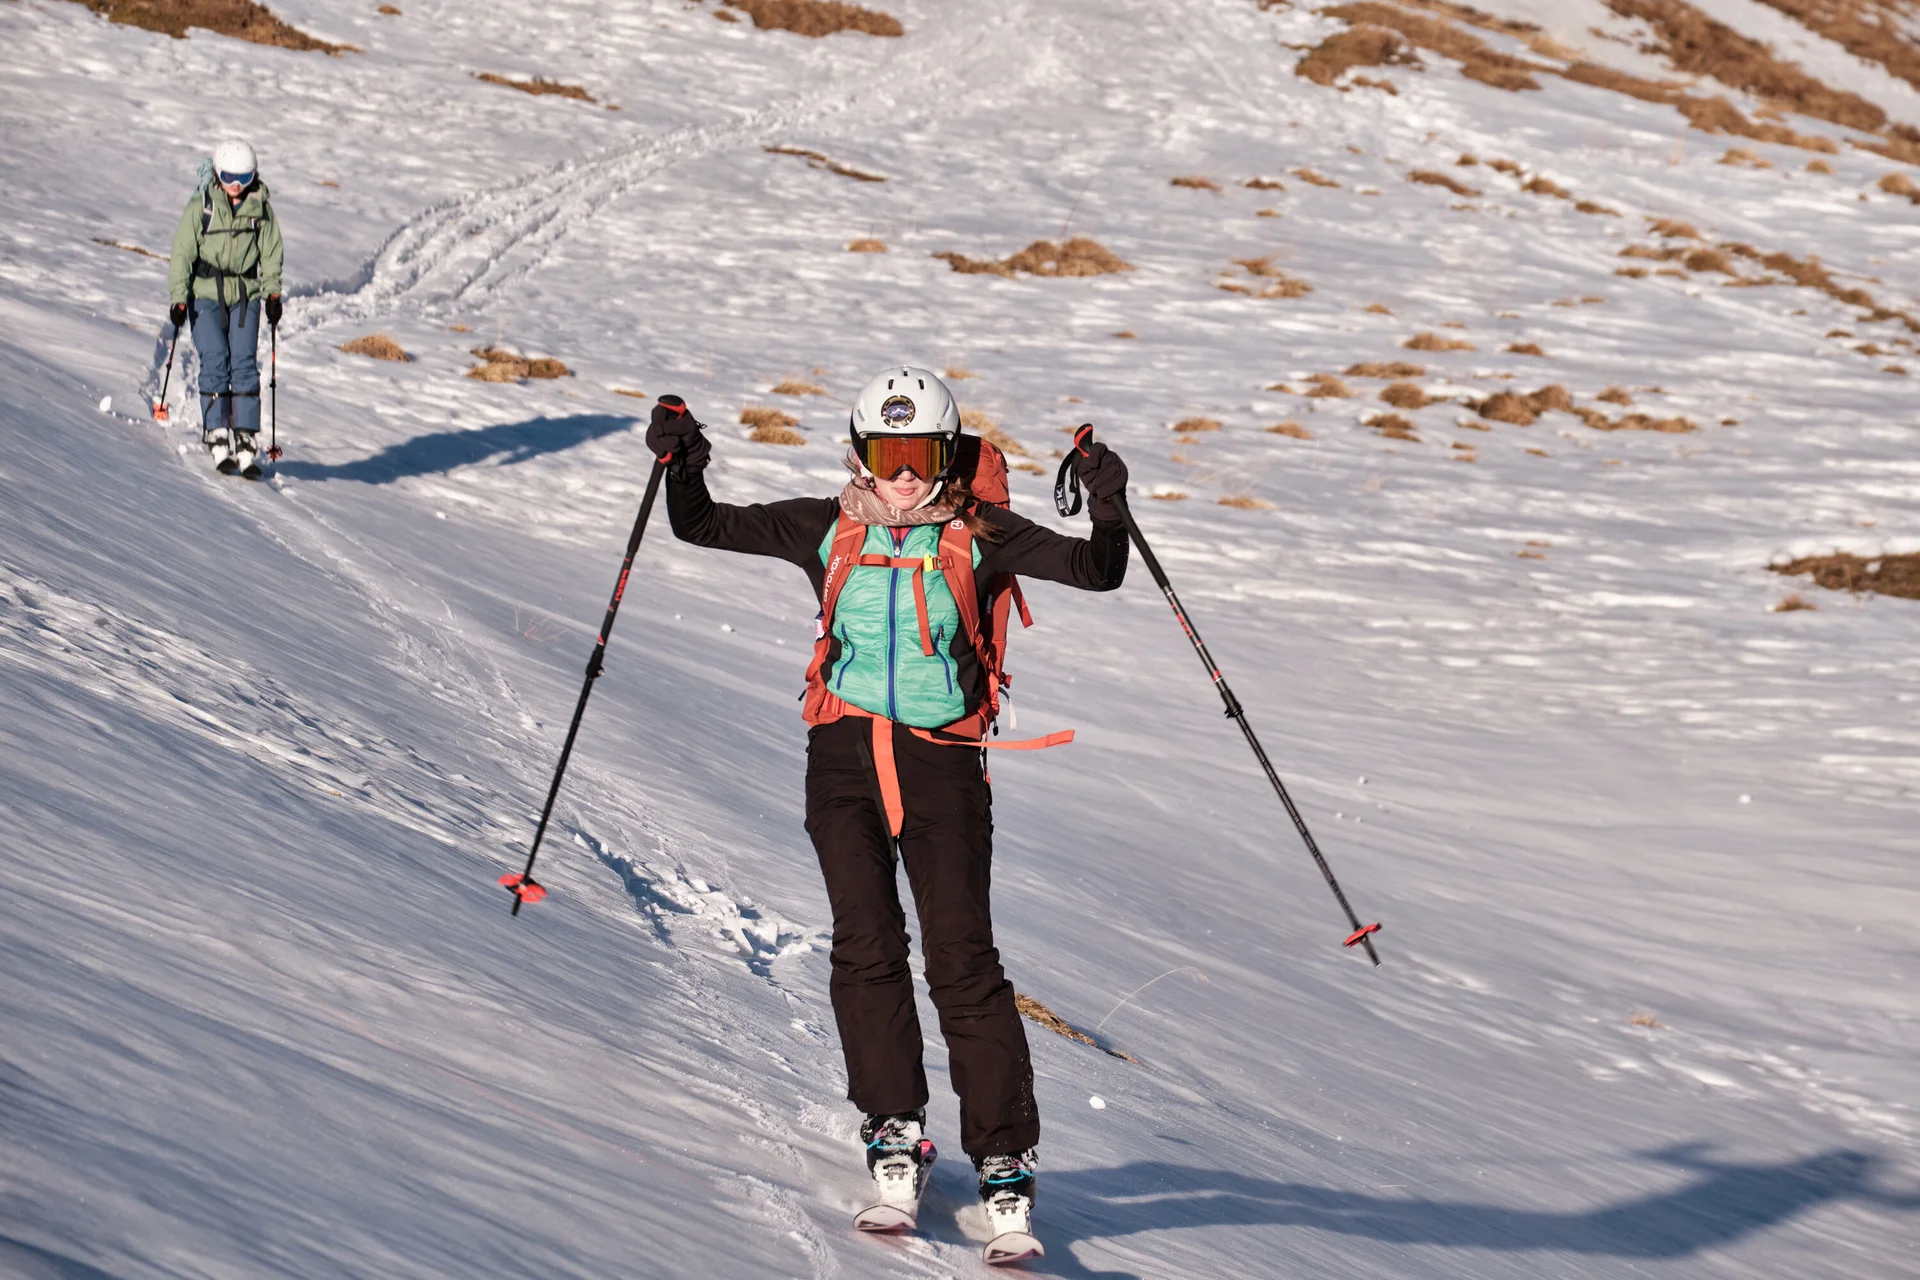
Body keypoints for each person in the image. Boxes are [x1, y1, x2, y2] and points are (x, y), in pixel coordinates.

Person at [648, 370, 1130, 1255]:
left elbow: (1098, 572)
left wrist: (1107, 501)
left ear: (945, 457)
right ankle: (895, 1137)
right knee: (865, 944)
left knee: (962, 958)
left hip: (942, 766)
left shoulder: (980, 536)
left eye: (919, 457)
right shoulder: (824, 526)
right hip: (842, 759)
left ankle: (1005, 1168)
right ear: (860, 454)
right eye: (885, 454)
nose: (903, 475)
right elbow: (701, 524)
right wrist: (685, 459)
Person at [168, 138, 283, 475]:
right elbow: (182, 253)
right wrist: (178, 297)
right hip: (205, 292)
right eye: (230, 177)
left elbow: (271, 251)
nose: (236, 185)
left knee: (244, 363)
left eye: (244, 178)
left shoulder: (260, 208)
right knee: (216, 358)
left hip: (245, 294)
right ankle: (217, 432)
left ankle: (245, 438)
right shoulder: (201, 206)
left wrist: (272, 293)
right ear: (217, 174)